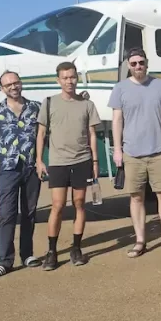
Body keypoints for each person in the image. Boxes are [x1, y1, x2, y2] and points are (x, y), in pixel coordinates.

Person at [109, 47, 161, 257]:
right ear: (128, 65)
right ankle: (140, 240)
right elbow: (117, 120)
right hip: (132, 153)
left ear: (146, 63)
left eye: (141, 63)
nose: (137, 67)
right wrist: (117, 149)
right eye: (133, 63)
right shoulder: (120, 88)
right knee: (136, 198)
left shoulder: (160, 85)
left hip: (159, 150)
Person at [35, 61, 101, 270]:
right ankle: (52, 251)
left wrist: (95, 160)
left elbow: (92, 134)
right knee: (58, 205)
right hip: (58, 162)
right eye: (65, 78)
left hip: (82, 160)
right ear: (58, 80)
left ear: (77, 78)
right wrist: (39, 159)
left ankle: (76, 247)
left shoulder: (87, 105)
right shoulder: (48, 103)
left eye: (72, 77)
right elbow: (41, 133)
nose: (69, 81)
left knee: (80, 203)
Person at [0, 70, 43, 278]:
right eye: (8, 85)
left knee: (29, 213)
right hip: (8, 169)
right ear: (2, 88)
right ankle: (5, 260)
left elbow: (45, 136)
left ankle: (27, 254)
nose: (13, 87)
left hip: (31, 167)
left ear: (21, 83)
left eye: (16, 83)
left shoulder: (36, 108)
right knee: (7, 214)